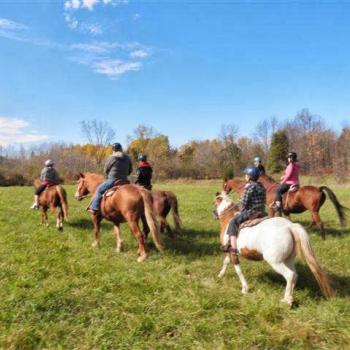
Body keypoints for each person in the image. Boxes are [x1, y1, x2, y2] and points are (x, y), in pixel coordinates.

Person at [222, 166, 266, 255]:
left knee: (233, 222)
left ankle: (233, 248)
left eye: (246, 175)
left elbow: (244, 204)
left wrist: (240, 209)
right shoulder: (261, 186)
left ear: (249, 176)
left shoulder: (249, 187)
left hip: (251, 212)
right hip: (262, 211)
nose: (245, 176)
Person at [88, 142, 132, 215]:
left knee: (99, 189)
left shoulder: (112, 157)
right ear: (121, 149)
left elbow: (106, 169)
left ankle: (94, 208)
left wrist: (108, 176)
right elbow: (130, 170)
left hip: (113, 180)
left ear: (113, 150)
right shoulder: (127, 158)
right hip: (125, 181)